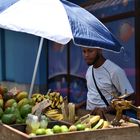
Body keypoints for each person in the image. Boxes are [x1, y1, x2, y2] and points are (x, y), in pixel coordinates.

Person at [76, 47, 135, 118]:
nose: (86, 55)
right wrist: (80, 105)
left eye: (90, 51)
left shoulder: (114, 71)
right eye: (84, 51)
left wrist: (106, 110)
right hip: (89, 117)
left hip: (108, 119)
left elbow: (130, 98)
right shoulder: (89, 70)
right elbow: (94, 96)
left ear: (100, 50)